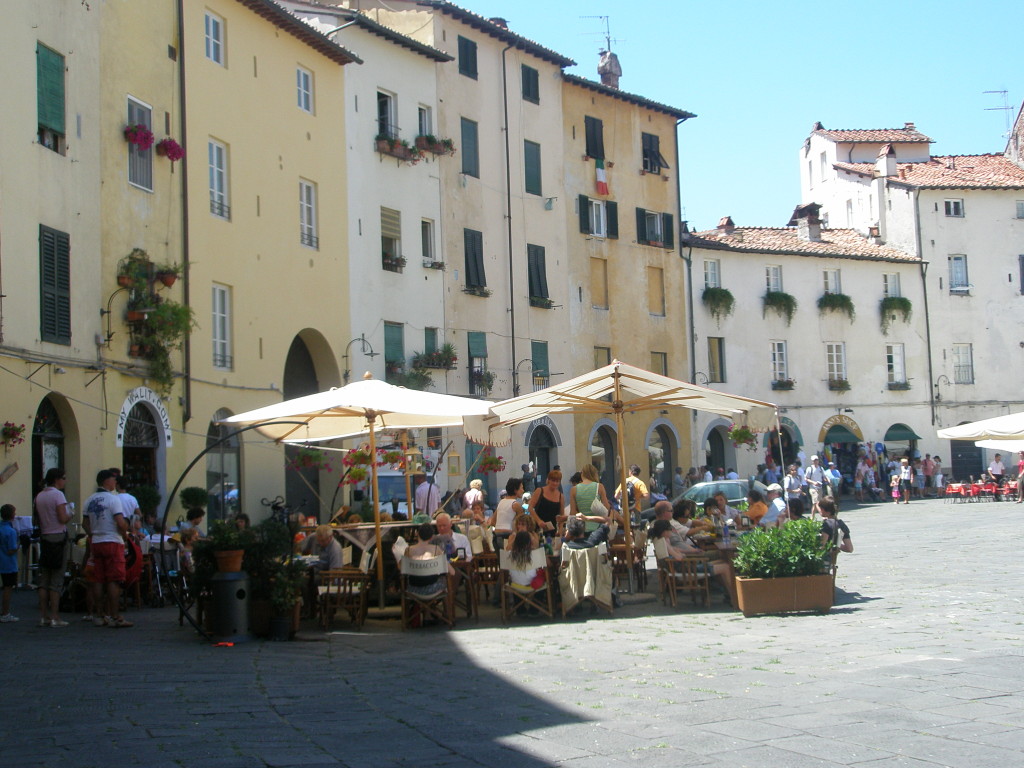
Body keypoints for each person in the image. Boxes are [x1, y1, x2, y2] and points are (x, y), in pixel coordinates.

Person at [83, 469, 133, 628]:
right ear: (106, 481)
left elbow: (85, 523)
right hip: (112, 540)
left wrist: (93, 534)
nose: (115, 483)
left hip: (96, 541)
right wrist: (126, 529)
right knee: (114, 579)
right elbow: (120, 522)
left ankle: (99, 614)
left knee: (98, 578)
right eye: (113, 480)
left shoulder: (89, 500)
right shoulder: (113, 499)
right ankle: (115, 616)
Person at [649, 519, 735, 605]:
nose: (671, 531)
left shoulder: (660, 541)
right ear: (664, 531)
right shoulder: (665, 543)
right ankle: (734, 598)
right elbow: (678, 557)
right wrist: (681, 554)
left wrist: (690, 552)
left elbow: (675, 550)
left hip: (685, 567)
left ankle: (729, 595)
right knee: (726, 567)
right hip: (687, 569)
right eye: (670, 529)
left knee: (723, 562)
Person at [34, 468, 72, 627]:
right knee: (56, 579)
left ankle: (44, 616)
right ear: (57, 479)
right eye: (63, 478)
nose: (64, 481)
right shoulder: (58, 495)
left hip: (45, 536)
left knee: (44, 579)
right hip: (58, 536)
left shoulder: (39, 495)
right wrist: (71, 513)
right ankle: (55, 616)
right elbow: (63, 518)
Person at [403, 522, 454, 596]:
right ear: (431, 537)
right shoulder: (437, 549)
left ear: (418, 534)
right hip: (433, 588)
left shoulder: (408, 550)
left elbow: (402, 569)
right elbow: (451, 571)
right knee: (445, 578)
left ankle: (419, 606)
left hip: (413, 589)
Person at [571, 464, 611, 535]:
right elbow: (607, 507)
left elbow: (572, 513)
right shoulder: (599, 487)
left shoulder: (574, 490)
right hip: (598, 527)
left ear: (582, 474)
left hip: (582, 529)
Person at [817, 497, 853, 568]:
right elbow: (849, 548)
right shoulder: (841, 524)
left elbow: (822, 546)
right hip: (832, 560)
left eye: (820, 509)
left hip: (824, 561)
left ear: (824, 510)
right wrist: (837, 543)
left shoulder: (827, 524)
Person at [528, 470, 564, 535]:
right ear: (548, 480)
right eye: (553, 481)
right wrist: (538, 520)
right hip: (538, 528)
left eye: (557, 481)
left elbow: (561, 516)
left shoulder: (561, 496)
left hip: (552, 530)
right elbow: (530, 508)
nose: (555, 483)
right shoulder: (539, 491)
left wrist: (560, 530)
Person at [492, 478, 523, 553]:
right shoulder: (516, 505)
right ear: (515, 490)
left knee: (501, 563)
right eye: (521, 488)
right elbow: (522, 524)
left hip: (496, 536)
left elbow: (493, 521)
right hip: (508, 536)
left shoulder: (501, 502)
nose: (523, 490)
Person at [0, 504, 19, 623]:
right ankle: (5, 613)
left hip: (1, 560)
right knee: (8, 588)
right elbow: (11, 549)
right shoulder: (11, 531)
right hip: (9, 563)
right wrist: (18, 545)